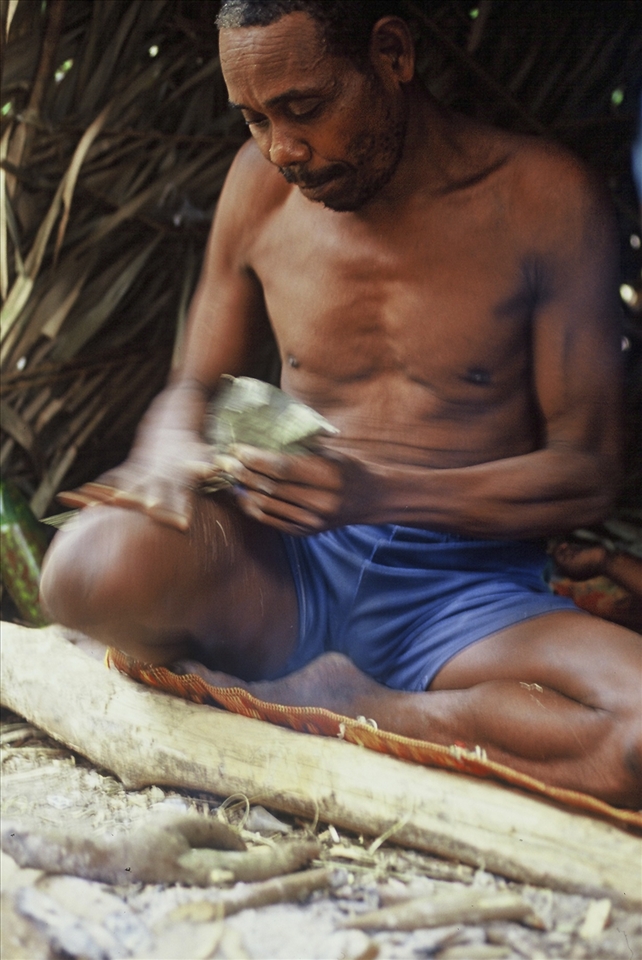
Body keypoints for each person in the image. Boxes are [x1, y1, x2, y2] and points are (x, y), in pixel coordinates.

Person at [40, 0, 642, 807]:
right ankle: (394, 706)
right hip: (284, 569)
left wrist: (383, 492)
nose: (281, 147)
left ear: (391, 54)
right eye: (253, 117)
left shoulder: (544, 201)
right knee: (85, 571)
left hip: (466, 596)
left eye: (304, 107)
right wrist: (164, 456)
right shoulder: (258, 187)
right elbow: (192, 388)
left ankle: (356, 706)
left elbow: (588, 472)